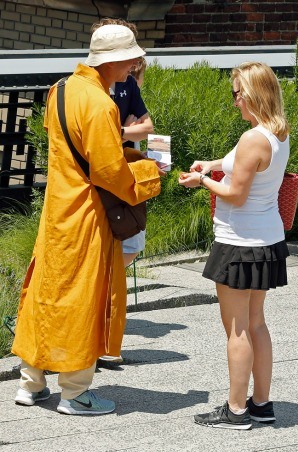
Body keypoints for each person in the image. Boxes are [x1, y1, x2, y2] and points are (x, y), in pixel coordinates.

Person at [11, 24, 163, 415]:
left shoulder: (59, 90)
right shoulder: (100, 104)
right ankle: (75, 392)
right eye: (130, 57)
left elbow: (68, 150)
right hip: (87, 214)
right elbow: (109, 171)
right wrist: (148, 175)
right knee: (82, 296)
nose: (135, 64)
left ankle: (30, 382)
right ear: (112, 60)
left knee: (47, 290)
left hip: (58, 207)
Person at [179, 62, 290, 430]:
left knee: (237, 329)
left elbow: (235, 194)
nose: (235, 101)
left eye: (237, 93)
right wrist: (211, 165)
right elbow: (244, 168)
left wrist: (201, 181)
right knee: (256, 323)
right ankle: (261, 404)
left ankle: (235, 409)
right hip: (267, 240)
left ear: (254, 94)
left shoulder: (252, 138)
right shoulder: (276, 133)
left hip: (238, 242)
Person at [93, 20, 155, 367]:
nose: (134, 66)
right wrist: (123, 129)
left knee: (131, 240)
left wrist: (117, 130)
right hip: (98, 182)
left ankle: (105, 336)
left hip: (123, 175)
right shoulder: (83, 90)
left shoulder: (127, 84)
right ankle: (99, 338)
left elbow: (147, 127)